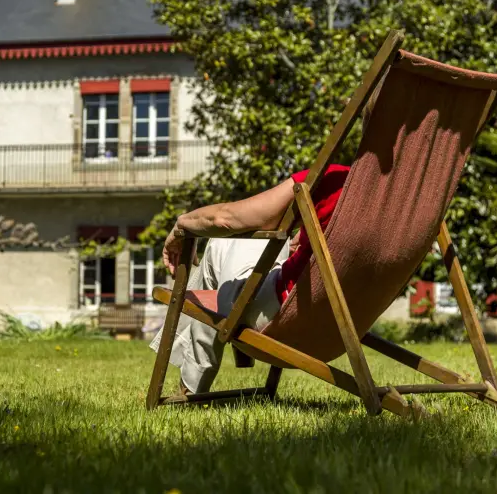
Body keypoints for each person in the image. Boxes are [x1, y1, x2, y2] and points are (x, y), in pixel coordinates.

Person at [149, 163, 351, 395]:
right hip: (344, 324)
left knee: (221, 241)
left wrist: (181, 224)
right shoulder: (398, 205)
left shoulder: (334, 177)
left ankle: (191, 384)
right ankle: (193, 377)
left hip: (283, 315)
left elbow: (225, 219)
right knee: (238, 252)